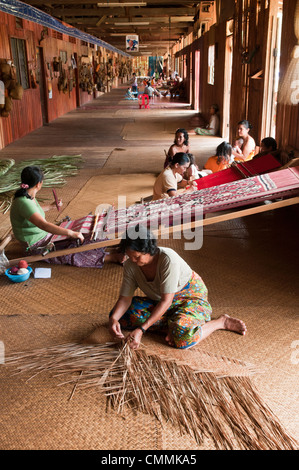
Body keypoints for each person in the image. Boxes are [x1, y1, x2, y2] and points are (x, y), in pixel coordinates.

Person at [109, 227, 247, 350]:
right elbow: (125, 298)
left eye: (137, 256)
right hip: (161, 302)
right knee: (122, 317)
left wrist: (141, 329)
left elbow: (166, 301)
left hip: (189, 299)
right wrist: (114, 319)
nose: (132, 260)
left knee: (182, 338)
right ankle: (172, 324)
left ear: (148, 250)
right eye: (130, 256)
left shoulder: (168, 259)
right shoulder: (130, 265)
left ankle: (220, 322)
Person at [10, 166, 125, 267]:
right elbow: (43, 224)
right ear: (38, 184)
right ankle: (113, 257)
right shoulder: (24, 202)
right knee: (71, 251)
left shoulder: (27, 195)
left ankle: (110, 247)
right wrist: (69, 233)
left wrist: (51, 206)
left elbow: (33, 212)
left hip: (45, 236)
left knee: (86, 233)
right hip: (36, 246)